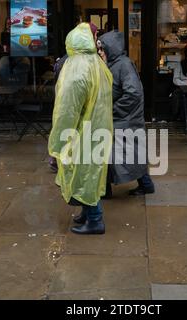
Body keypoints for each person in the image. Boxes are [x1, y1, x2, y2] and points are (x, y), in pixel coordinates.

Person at [48, 23, 113, 235]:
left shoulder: (76, 66)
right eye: (95, 35)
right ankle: (88, 213)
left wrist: (59, 140)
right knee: (89, 172)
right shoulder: (96, 62)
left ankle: (95, 220)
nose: (97, 39)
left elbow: (67, 109)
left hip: (82, 130)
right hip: (99, 127)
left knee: (84, 174)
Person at [99, 31, 155, 196]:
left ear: (111, 48)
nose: (100, 52)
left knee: (119, 152)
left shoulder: (123, 64)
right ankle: (144, 184)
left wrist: (112, 110)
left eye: (102, 49)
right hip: (122, 117)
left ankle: (106, 189)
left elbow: (133, 94)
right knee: (127, 153)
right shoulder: (114, 63)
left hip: (125, 118)